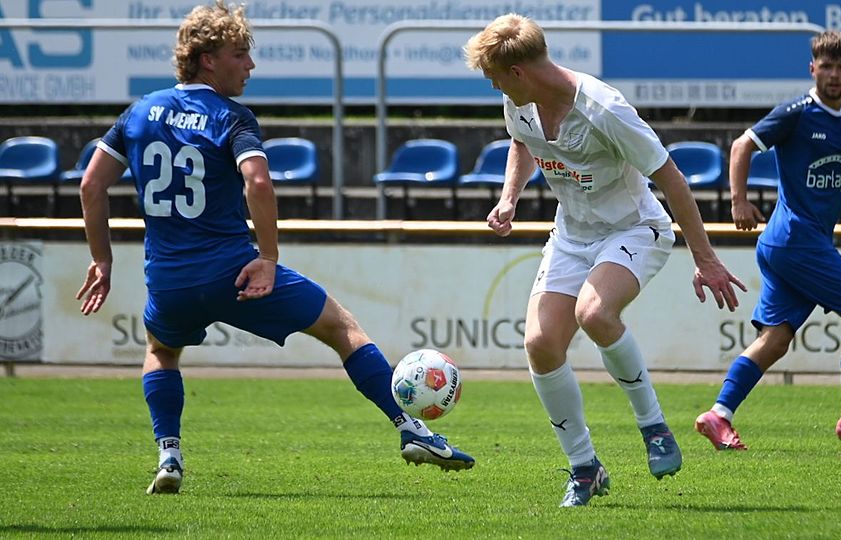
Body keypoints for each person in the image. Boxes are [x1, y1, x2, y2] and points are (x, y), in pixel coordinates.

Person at [75, 0, 474, 495]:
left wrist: (102, 259)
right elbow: (258, 182)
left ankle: (169, 455)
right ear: (207, 60)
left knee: (160, 350)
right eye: (239, 54)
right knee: (342, 328)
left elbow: (91, 184)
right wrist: (268, 258)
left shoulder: (139, 112)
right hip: (235, 273)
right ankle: (411, 429)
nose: (250, 64)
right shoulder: (231, 117)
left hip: (168, 280)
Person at [463, 13, 745, 507]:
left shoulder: (604, 108)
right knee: (540, 344)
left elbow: (672, 178)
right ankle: (585, 469)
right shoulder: (519, 101)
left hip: (634, 227)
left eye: (495, 78)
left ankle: (654, 427)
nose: (494, 87)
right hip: (572, 233)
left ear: (518, 72)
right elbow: (522, 143)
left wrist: (705, 259)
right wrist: (509, 198)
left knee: (593, 313)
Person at [694, 30, 841, 453]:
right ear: (812, 69)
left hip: (793, 244)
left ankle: (719, 415)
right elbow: (741, 146)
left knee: (776, 339)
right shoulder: (796, 113)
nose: (833, 75)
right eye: (826, 66)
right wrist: (739, 201)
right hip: (796, 241)